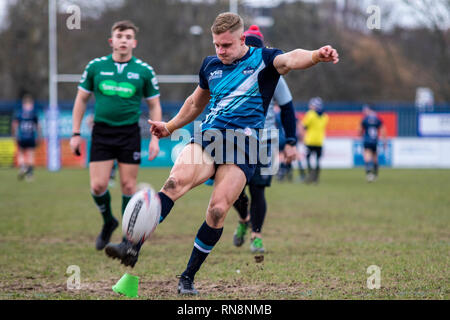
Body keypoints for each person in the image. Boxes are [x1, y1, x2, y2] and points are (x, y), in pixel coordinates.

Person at [105, 12, 339, 295]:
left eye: (226, 45)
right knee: (174, 184)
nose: (221, 51)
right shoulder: (210, 65)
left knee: (217, 211)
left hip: (243, 146)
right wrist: (169, 126)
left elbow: (291, 58)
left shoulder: (265, 60)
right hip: (209, 137)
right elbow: (195, 103)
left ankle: (187, 277)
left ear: (242, 40)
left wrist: (316, 55)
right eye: (216, 44)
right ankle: (132, 246)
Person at [70, 20, 162, 251]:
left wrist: (155, 138)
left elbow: (154, 105)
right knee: (99, 186)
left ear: (134, 42)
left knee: (129, 186)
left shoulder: (144, 70)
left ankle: (127, 239)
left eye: (128, 36)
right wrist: (75, 133)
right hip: (101, 132)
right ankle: (108, 221)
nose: (124, 40)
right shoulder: (95, 67)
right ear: (112, 41)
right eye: (120, 36)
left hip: (129, 133)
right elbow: (81, 100)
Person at [231, 25, 298, 254]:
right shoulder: (232, 72)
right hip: (235, 138)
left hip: (264, 140)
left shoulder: (274, 74)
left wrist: (290, 141)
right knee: (233, 190)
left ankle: (256, 236)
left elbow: (288, 108)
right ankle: (244, 218)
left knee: (258, 190)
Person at [298, 97, 328, 184]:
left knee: (308, 159)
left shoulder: (310, 114)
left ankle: (310, 175)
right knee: (318, 160)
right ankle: (316, 178)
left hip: (310, 141)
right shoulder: (325, 116)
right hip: (319, 141)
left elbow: (304, 126)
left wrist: (301, 135)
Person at [12, 93, 40, 181]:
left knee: (20, 153)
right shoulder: (33, 113)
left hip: (22, 136)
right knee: (31, 155)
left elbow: (14, 125)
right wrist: (39, 136)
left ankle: (23, 167)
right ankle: (29, 175)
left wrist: (14, 135)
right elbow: (38, 126)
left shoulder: (19, 113)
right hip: (31, 137)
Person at [359, 104, 386, 182]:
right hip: (375, 141)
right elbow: (383, 130)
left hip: (367, 140)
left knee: (367, 156)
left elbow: (359, 131)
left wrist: (361, 134)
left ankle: (369, 174)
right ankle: (375, 175)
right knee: (375, 158)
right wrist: (384, 141)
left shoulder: (365, 119)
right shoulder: (377, 119)